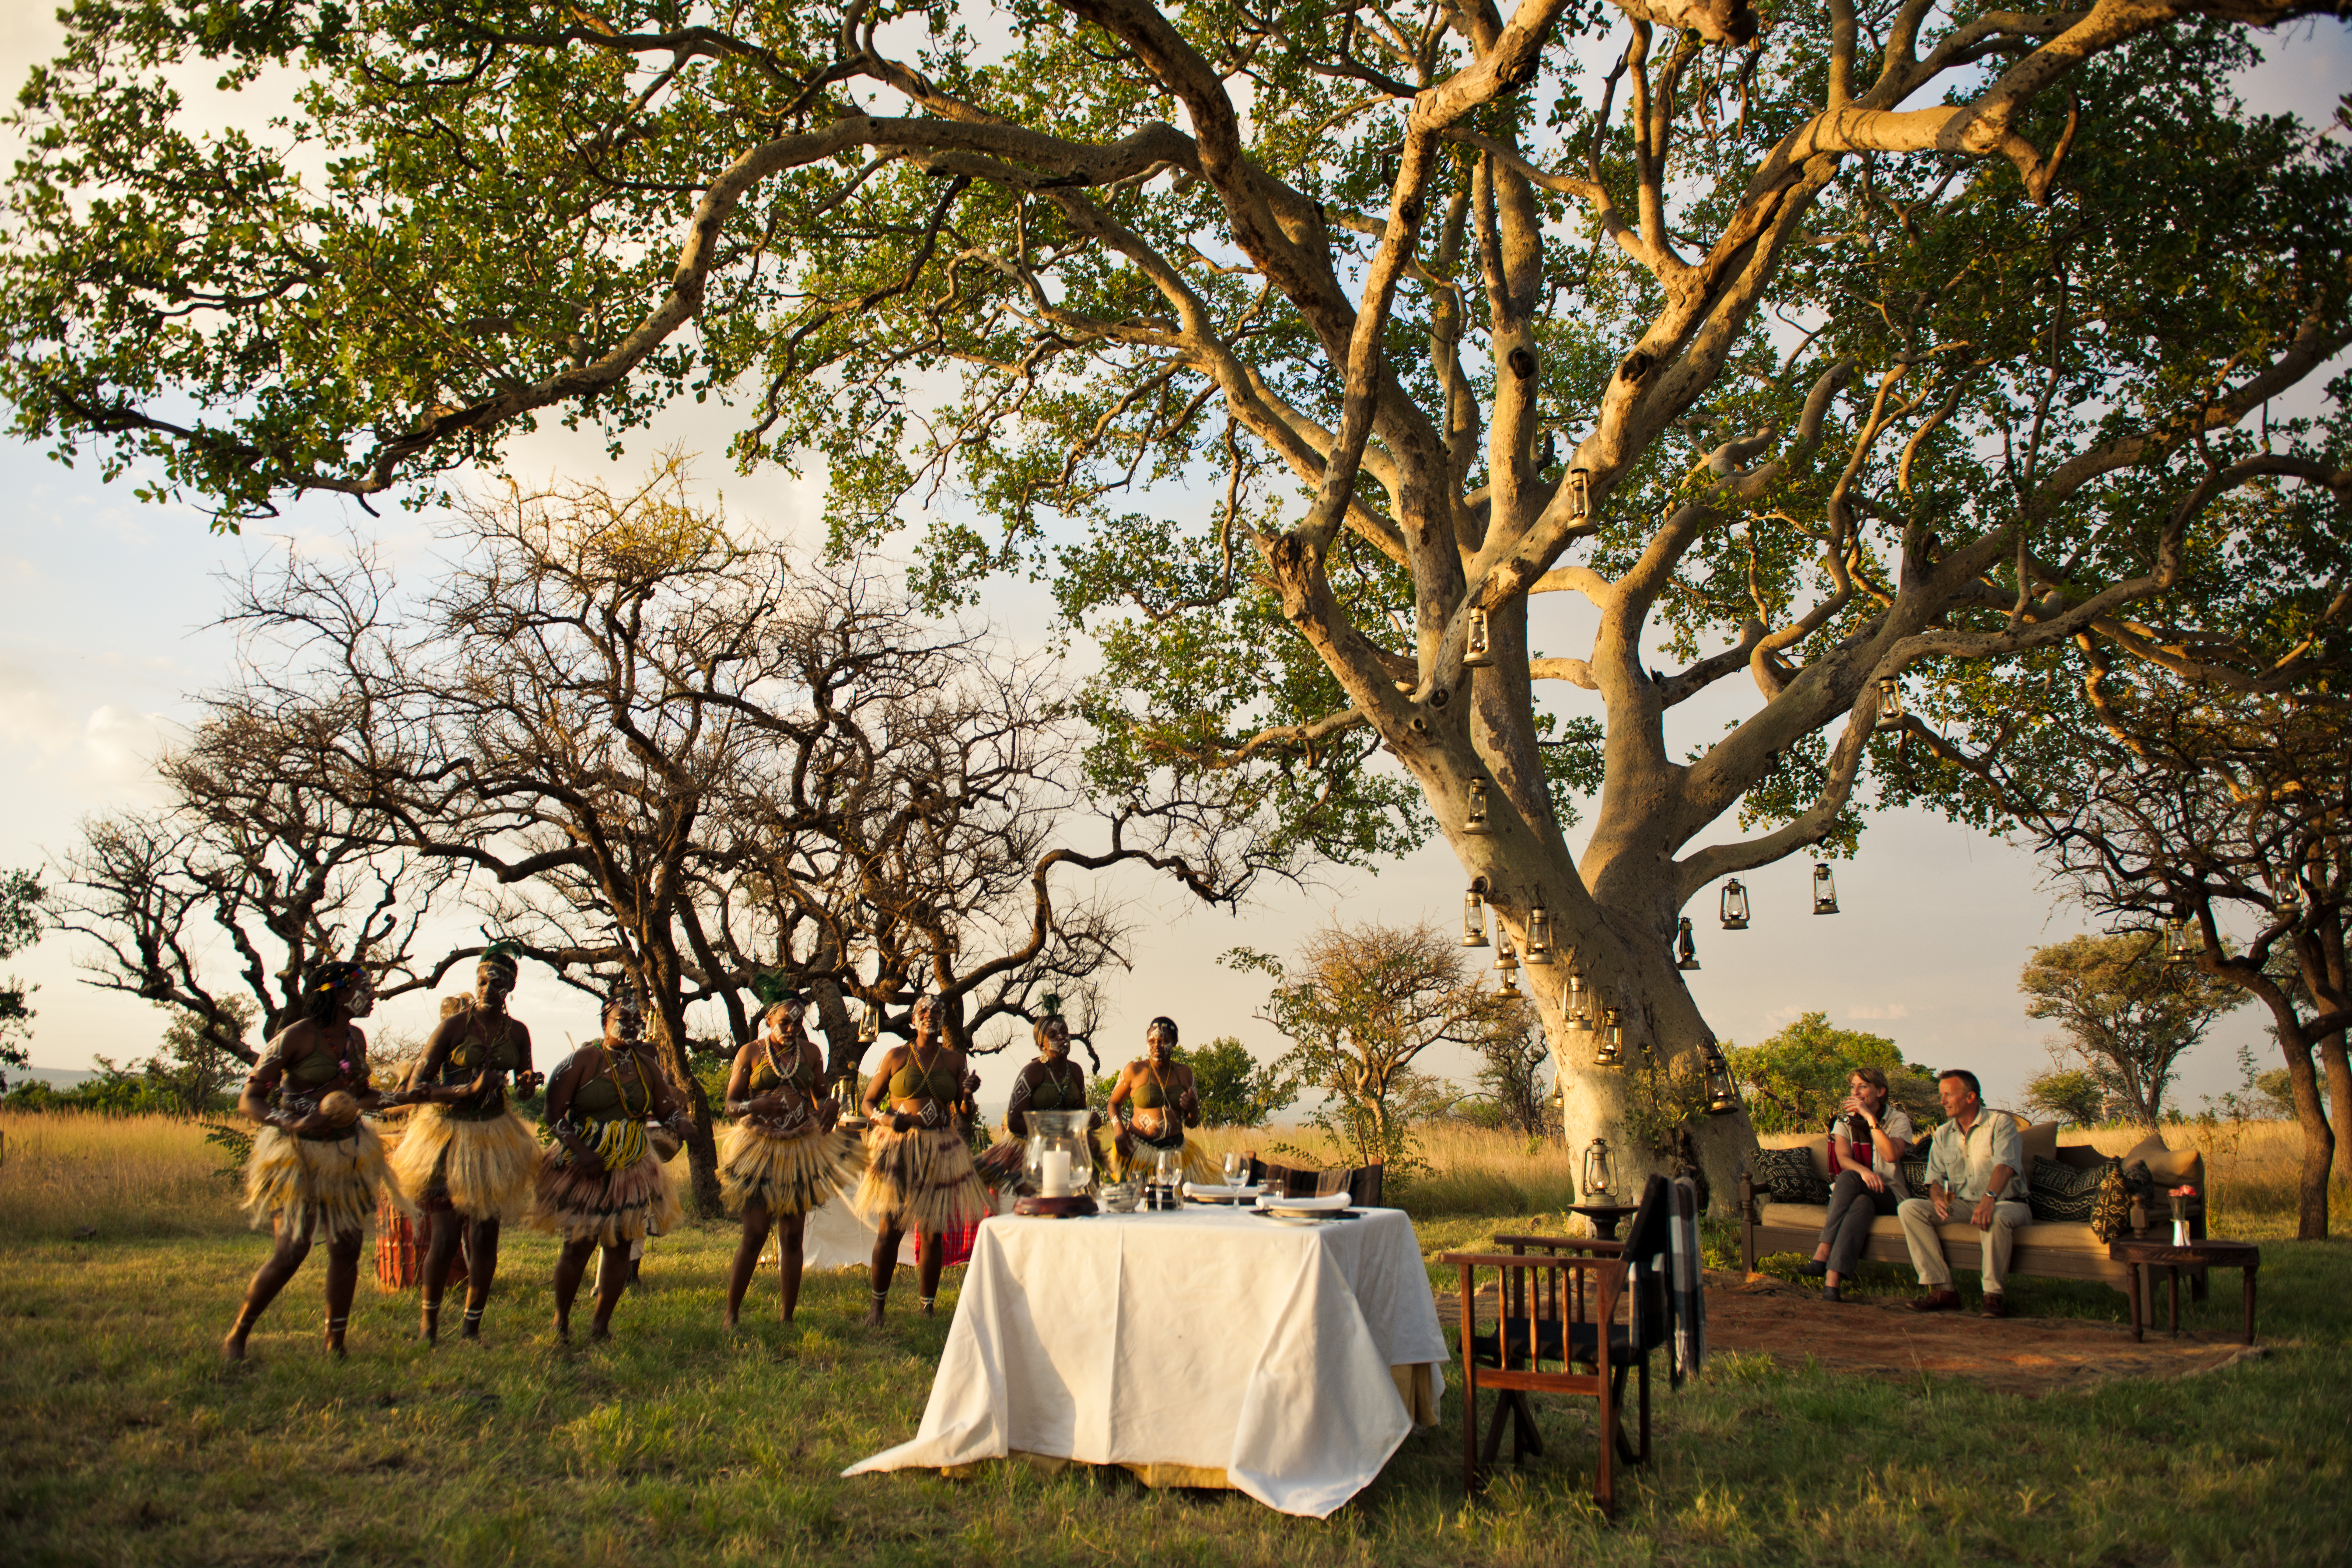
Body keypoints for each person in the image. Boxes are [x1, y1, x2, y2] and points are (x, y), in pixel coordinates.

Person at [222, 961, 407, 1361]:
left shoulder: (355, 1039)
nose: (371, 995)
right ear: (338, 994)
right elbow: (249, 1100)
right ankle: (239, 1334)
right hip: (298, 1154)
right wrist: (292, 1120)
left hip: (346, 1152)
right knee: (292, 1250)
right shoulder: (296, 1036)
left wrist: (407, 1098)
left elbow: (362, 1097)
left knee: (347, 1248)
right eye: (364, 987)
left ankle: (335, 1344)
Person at [387, 943, 542, 1344]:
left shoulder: (519, 1032)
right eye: (483, 980)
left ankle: (472, 1328)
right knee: (444, 1236)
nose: (489, 987)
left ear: (511, 986)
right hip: (448, 1137)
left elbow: (523, 1088)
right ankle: (429, 1327)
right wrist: (466, 1089)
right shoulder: (454, 1027)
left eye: (498, 981)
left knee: (485, 1236)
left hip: (494, 1137)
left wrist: (526, 1086)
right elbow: (417, 1088)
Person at [530, 988, 688, 1341]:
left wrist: (680, 1122)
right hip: (586, 1164)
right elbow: (553, 1112)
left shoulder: (647, 1066)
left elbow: (665, 1109)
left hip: (630, 1165)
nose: (631, 1026)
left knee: (620, 1246)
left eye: (636, 1021)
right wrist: (580, 1150)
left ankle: (601, 1325)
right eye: (623, 1020)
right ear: (606, 1022)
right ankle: (561, 1321)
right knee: (579, 1245)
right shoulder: (582, 1060)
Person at [718, 992, 861, 1328]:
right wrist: (756, 1106)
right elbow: (730, 1105)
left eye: (798, 1022)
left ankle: (787, 1317)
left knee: (793, 1236)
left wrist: (829, 1106)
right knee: (754, 1234)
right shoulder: (750, 1053)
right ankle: (732, 1313)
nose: (793, 1027)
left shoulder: (811, 1054)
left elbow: (821, 1095)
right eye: (785, 1021)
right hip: (759, 1148)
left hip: (799, 1148)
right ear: (768, 1021)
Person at [853, 994, 988, 1326]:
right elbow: (868, 1103)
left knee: (932, 1231)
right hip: (899, 1146)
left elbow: (965, 1115)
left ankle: (927, 1308)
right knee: (891, 1229)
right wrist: (887, 1121)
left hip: (940, 1146)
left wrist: (969, 1094)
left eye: (938, 1011)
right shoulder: (896, 1056)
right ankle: (877, 1309)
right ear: (913, 1020)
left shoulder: (955, 1061)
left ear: (944, 1021)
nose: (931, 1015)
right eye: (924, 1011)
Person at [1899, 1068, 2032, 1318]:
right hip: (1963, 1204)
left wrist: (1989, 1199)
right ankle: (1943, 1290)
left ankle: (1993, 1297)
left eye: (1948, 1095)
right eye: (1942, 1095)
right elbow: (1934, 1179)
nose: (1942, 1101)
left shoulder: (2000, 1124)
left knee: (1996, 1215)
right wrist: (1937, 1198)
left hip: (2008, 1203)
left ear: (1970, 1098)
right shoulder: (1942, 1133)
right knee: (1910, 1209)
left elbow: (2005, 1166)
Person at [1797, 1068, 1916, 1302]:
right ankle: (1832, 1284)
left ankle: (1822, 1253)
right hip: (1862, 1191)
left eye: (1863, 1086)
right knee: (1861, 1203)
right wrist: (1864, 1172)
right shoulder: (1844, 1121)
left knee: (1848, 1178)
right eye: (1853, 1087)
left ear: (1880, 1091)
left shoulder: (1898, 1120)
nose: (1856, 1091)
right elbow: (1843, 1158)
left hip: (1891, 1196)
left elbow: (1891, 1155)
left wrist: (1870, 1119)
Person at [975, 1003, 1105, 1191]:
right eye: (1053, 1036)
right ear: (1041, 1044)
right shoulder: (1032, 1072)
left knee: (1079, 1192)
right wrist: (1050, 1132)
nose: (1062, 1038)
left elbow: (1080, 1111)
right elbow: (1014, 1121)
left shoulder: (1075, 1071)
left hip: (1064, 1144)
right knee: (1035, 1196)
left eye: (1065, 1032)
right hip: (1029, 1145)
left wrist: (1089, 1119)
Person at [1106, 1016, 1218, 1185]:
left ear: (1174, 1042)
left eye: (1163, 1040)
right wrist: (1119, 1129)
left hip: (1176, 1154)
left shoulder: (1185, 1073)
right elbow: (1113, 1104)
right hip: (1139, 1153)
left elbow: (1193, 1123)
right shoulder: (1134, 1070)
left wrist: (1194, 1110)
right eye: (1152, 1041)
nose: (1156, 1046)